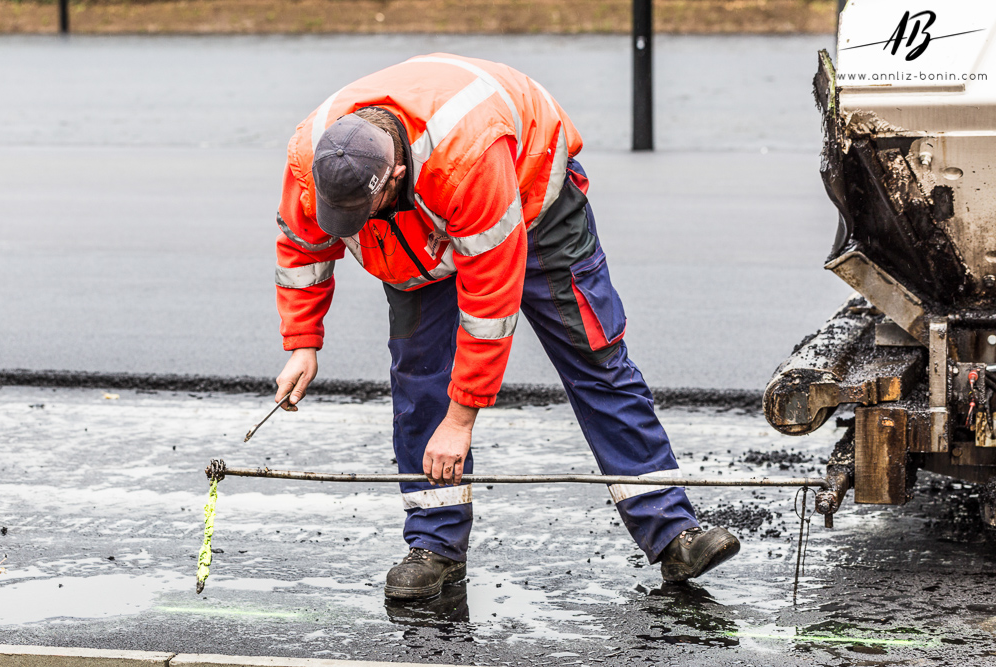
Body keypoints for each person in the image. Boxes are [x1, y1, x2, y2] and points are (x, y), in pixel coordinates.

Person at [273, 54, 739, 600]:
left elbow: (490, 307)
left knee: (594, 358)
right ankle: (436, 548)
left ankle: (673, 532)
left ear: (395, 176)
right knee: (420, 380)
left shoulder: (468, 157)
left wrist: (462, 419)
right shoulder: (314, 155)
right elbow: (302, 246)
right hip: (412, 246)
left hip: (527, 199)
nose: (346, 227)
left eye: (360, 212)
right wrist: (302, 343)